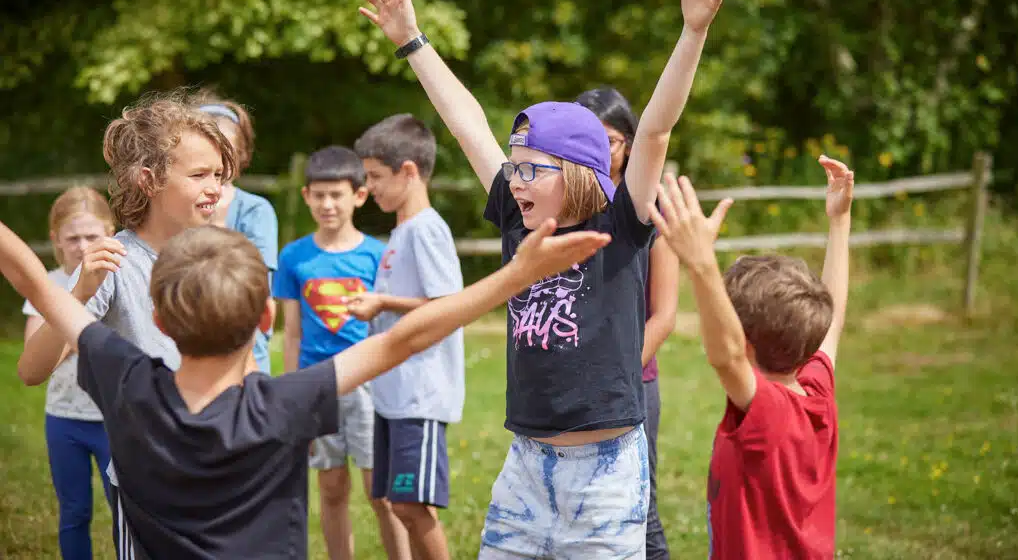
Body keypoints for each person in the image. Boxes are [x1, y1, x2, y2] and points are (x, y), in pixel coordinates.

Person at [357, 0, 723, 558]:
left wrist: (693, 31)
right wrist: (412, 42)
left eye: (530, 169)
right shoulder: (517, 220)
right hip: (526, 465)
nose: (514, 180)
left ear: (577, 170)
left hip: (607, 473)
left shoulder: (622, 220)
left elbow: (655, 129)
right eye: (514, 167)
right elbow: (466, 123)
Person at [0, 213, 611, 559]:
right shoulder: (285, 403)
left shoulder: (126, 382)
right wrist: (516, 275)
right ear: (267, 318)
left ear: (157, 322)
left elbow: (38, 286)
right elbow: (402, 339)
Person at [16, 89, 237, 505]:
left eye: (219, 176)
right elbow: (31, 369)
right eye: (199, 175)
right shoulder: (114, 264)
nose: (215, 189)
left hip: (215, 466)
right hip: (147, 480)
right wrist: (80, 291)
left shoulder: (218, 255)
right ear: (148, 180)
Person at [647, 156, 853, 559]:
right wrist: (839, 221)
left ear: (746, 344)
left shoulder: (768, 413)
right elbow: (835, 317)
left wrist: (701, 263)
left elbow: (727, 358)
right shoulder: (816, 390)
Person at [273, 145, 406, 560]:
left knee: (380, 492)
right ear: (306, 196)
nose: (328, 204)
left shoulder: (378, 254)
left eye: (337, 195)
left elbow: (393, 328)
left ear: (359, 196)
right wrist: (294, 395)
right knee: (330, 488)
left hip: (370, 385)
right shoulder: (294, 257)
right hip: (318, 387)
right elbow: (291, 334)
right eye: (319, 195)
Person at [346, 114, 465, 560]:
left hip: (421, 396)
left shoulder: (427, 230)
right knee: (398, 503)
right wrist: (373, 310)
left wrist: (381, 304)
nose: (370, 187)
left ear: (409, 171)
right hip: (393, 394)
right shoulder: (402, 232)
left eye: (376, 176)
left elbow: (448, 307)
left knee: (413, 507)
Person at [577, 86, 678, 560]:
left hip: (631, 383)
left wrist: (613, 372)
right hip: (569, 387)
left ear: (631, 145)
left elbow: (665, 314)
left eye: (610, 141)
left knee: (640, 506)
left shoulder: (651, 208)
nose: (598, 152)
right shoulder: (562, 201)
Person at [22, 187, 116, 560]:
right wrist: (80, 328)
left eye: (91, 236)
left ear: (110, 231)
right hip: (64, 419)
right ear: (55, 240)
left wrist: (64, 331)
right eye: (72, 238)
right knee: (74, 511)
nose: (81, 246)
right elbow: (36, 356)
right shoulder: (47, 285)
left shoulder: (119, 278)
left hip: (113, 419)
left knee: (128, 510)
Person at [194, 91, 280, 374]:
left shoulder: (255, 210)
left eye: (228, 149)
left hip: (246, 347)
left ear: (242, 155)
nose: (221, 160)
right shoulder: (179, 205)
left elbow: (258, 282)